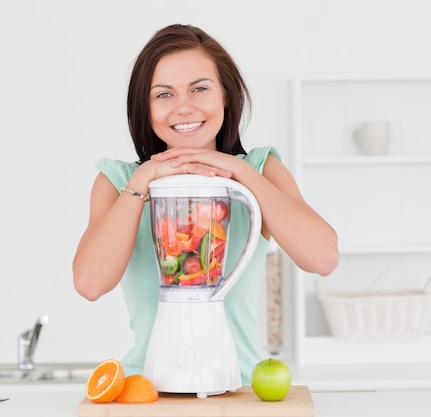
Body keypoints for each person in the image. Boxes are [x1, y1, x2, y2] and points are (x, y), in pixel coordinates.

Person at [72, 24, 338, 385]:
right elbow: (90, 284)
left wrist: (239, 171)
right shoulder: (117, 181)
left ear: (225, 96)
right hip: (145, 390)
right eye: (163, 95)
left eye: (199, 89)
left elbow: (322, 258)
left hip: (240, 386)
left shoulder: (260, 169)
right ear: (145, 107)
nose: (184, 107)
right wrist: (142, 180)